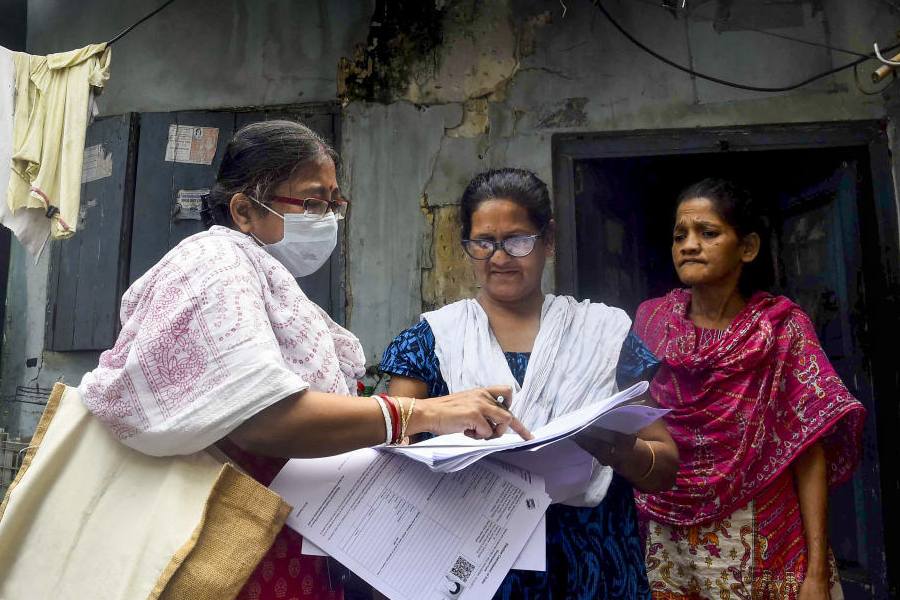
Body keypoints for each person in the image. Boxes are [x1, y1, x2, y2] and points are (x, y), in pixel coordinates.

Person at [77, 121, 530, 600]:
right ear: (245, 210)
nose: (328, 217)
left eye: (334, 203)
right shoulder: (216, 263)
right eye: (313, 202)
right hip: (225, 546)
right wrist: (428, 412)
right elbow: (264, 416)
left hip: (276, 538)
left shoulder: (266, 278)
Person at [380, 167, 679, 599]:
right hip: (472, 561)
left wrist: (620, 450)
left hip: (592, 562)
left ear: (549, 240)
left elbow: (664, 465)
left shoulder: (603, 334)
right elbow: (391, 457)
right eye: (483, 242)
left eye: (518, 240)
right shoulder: (430, 340)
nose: (499, 258)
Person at [634, 178, 866, 600]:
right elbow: (635, 425)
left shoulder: (781, 331)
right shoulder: (651, 324)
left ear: (748, 247)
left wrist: (814, 573)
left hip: (762, 532)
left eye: (708, 233)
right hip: (667, 534)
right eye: (679, 235)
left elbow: (808, 450)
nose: (689, 245)